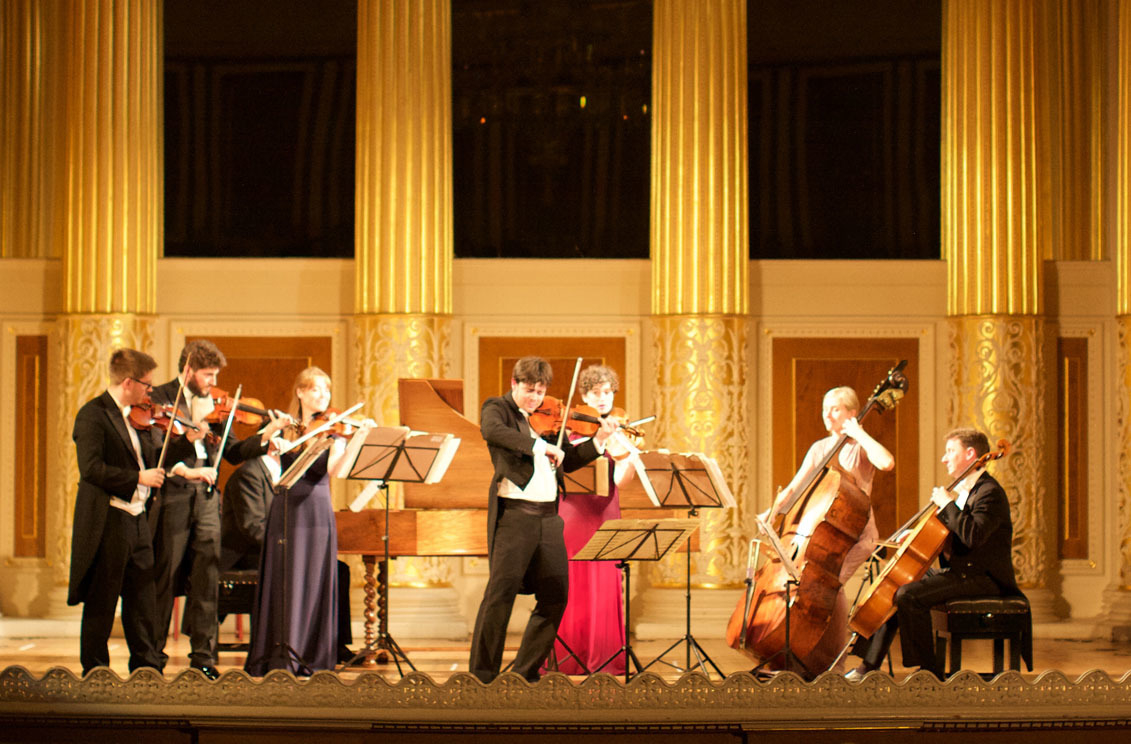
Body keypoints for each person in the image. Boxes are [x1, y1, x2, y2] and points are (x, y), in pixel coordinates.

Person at [469, 356, 618, 683]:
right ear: (514, 384)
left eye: (540, 391)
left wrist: (599, 441)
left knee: (555, 596)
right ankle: (481, 677)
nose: (535, 398)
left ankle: (524, 673)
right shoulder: (498, 409)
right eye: (529, 390)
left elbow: (569, 460)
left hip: (549, 518)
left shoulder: (549, 421)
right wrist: (539, 448)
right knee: (499, 596)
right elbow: (492, 432)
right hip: (515, 516)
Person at [148, 339, 288, 679]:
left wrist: (266, 435)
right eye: (207, 375)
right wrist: (191, 437)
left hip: (208, 500)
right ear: (188, 370)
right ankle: (151, 659)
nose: (212, 383)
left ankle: (204, 659)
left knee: (206, 578)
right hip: (174, 499)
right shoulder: (163, 399)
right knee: (165, 578)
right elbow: (158, 454)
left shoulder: (215, 405)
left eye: (215, 376)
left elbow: (235, 453)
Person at [846, 428, 1017, 680]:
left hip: (986, 578)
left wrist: (947, 504)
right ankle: (869, 666)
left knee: (909, 595)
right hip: (963, 572)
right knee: (899, 584)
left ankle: (928, 672)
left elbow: (973, 536)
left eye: (950, 451)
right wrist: (915, 535)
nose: (944, 459)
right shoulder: (967, 491)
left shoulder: (989, 493)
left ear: (971, 454)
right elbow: (955, 534)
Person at [762, 386, 894, 670]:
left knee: (830, 588)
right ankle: (804, 655)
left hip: (857, 535)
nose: (827, 415)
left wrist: (859, 433)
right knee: (817, 589)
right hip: (828, 533)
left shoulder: (860, 446)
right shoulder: (819, 448)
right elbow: (795, 487)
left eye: (834, 409)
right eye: (825, 409)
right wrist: (772, 512)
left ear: (851, 413)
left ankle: (834, 664)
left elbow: (887, 462)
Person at [245, 366, 366, 675]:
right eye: (315, 390)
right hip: (286, 508)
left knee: (312, 579)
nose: (322, 396)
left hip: (317, 509)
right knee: (287, 579)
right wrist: (273, 433)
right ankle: (280, 653)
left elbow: (337, 471)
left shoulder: (333, 428)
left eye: (326, 391)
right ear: (300, 392)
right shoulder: (286, 428)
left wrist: (357, 440)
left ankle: (312, 654)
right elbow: (263, 460)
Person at [68, 348, 166, 675]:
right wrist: (137, 478)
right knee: (103, 600)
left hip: (137, 521)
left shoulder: (137, 417)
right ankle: (95, 672)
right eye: (147, 385)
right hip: (109, 520)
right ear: (128, 382)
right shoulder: (92, 415)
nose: (150, 392)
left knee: (142, 602)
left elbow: (150, 457)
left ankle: (146, 670)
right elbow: (91, 469)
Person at [222, 451, 356, 664]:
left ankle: (332, 645)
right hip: (247, 552)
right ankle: (293, 642)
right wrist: (287, 543)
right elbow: (251, 526)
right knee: (297, 569)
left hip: (278, 544)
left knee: (338, 570)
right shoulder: (249, 474)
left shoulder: (288, 473)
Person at [551, 364, 637, 674]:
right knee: (573, 584)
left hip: (605, 512)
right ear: (584, 395)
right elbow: (567, 468)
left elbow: (622, 482)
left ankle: (603, 658)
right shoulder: (570, 431)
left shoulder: (621, 433)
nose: (602, 399)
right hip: (574, 514)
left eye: (607, 392)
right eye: (595, 393)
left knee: (604, 581)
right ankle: (567, 658)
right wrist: (598, 442)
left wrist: (631, 457)